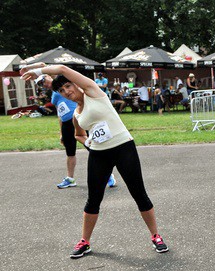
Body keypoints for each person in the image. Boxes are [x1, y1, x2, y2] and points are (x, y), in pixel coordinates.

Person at [21, 65, 167, 258]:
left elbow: (63, 69)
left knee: (139, 193)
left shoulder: (93, 91)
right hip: (99, 154)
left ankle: (156, 236)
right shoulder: (76, 114)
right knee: (93, 199)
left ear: (76, 83)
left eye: (68, 86)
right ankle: (85, 242)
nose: (67, 92)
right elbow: (78, 134)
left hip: (124, 147)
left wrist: (38, 70)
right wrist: (88, 141)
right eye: (62, 91)